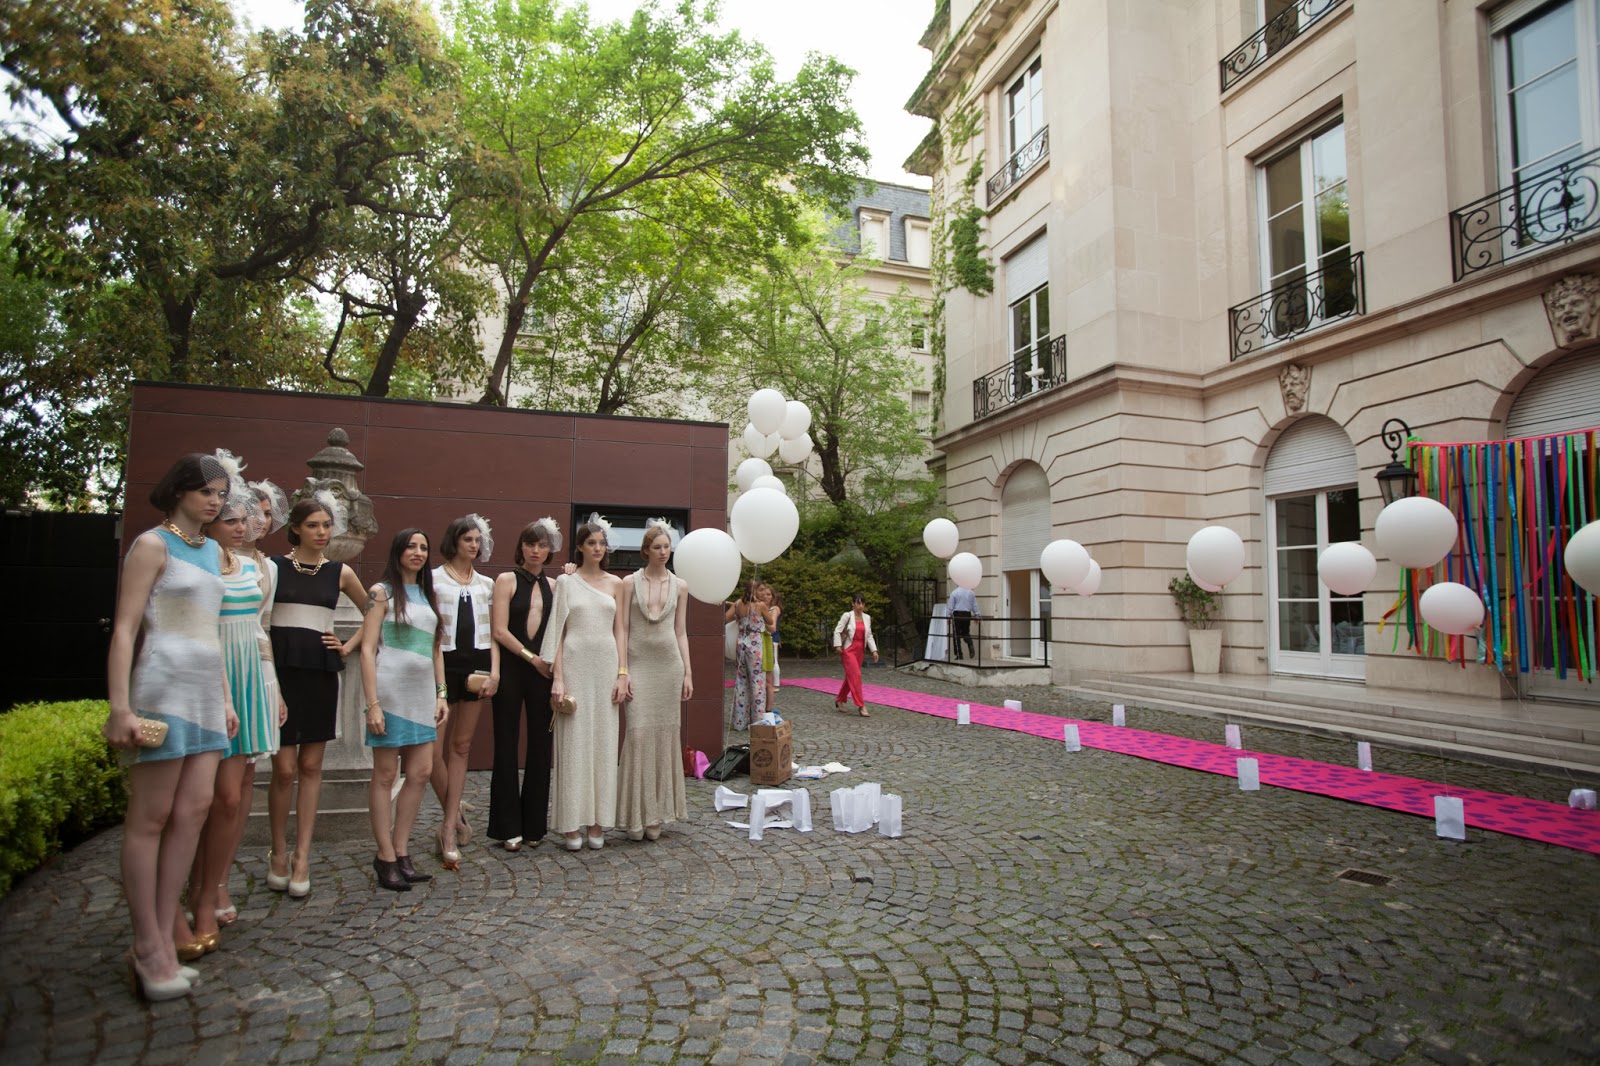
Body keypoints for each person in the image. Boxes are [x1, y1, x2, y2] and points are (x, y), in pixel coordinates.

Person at [103, 454, 238, 1001]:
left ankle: (165, 933)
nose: (215, 502)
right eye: (206, 491)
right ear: (179, 489)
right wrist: (120, 707)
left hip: (206, 693)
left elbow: (212, 630)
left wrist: (225, 699)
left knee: (193, 812)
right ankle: (147, 945)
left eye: (221, 494)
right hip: (161, 688)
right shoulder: (151, 545)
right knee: (151, 817)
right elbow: (125, 629)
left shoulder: (212, 551)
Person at [173, 472, 284, 960]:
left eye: (246, 519)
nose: (243, 526)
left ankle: (211, 889)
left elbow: (262, 629)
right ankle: (187, 889)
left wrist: (272, 687)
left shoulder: (251, 568)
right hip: (208, 680)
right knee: (199, 799)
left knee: (232, 798)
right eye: (232, 519)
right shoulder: (195, 565)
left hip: (249, 678)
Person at [267, 495, 367, 899]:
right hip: (280, 672)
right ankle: (277, 851)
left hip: (320, 673)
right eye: (313, 525)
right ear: (295, 528)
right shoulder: (273, 567)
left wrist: (349, 645)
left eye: (327, 525)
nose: (322, 532)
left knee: (310, 766)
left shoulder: (340, 572)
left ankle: (302, 856)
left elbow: (375, 611)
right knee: (283, 769)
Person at [358, 528, 449, 891]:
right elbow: (367, 650)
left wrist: (442, 694)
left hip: (422, 695)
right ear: (397, 551)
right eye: (411, 546)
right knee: (384, 775)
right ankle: (384, 856)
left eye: (424, 547)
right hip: (390, 694)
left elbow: (436, 648)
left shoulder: (427, 595)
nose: (418, 552)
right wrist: (372, 704)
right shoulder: (380, 592)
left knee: (421, 772)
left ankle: (401, 850)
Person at [540, 518, 630, 851]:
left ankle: (597, 821)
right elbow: (558, 630)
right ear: (579, 546)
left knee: (604, 744)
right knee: (573, 744)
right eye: (591, 543)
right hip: (575, 664)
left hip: (606, 666)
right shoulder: (566, 581)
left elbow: (621, 630)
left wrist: (622, 673)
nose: (597, 548)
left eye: (601, 543)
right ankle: (570, 823)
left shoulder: (616, 584)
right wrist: (558, 677)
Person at [488, 518, 568, 851]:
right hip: (512, 669)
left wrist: (553, 671)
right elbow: (499, 630)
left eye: (542, 545)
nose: (536, 550)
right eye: (531, 544)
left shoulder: (555, 585)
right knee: (505, 745)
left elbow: (560, 630)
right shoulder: (506, 580)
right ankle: (508, 827)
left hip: (543, 675)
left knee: (541, 746)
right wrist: (532, 658)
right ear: (521, 546)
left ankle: (534, 826)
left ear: (550, 550)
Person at [429, 514, 498, 870]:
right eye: (467, 539)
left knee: (462, 746)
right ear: (454, 540)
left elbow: (495, 632)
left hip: (478, 666)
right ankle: (454, 812)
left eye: (477, 540)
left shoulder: (487, 584)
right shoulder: (433, 578)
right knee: (431, 753)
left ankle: (448, 829)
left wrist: (495, 672)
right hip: (442, 664)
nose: (473, 545)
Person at [616, 521, 690, 841]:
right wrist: (622, 670)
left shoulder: (681, 586)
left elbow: (680, 631)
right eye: (657, 547)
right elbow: (621, 628)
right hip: (638, 665)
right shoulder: (628, 583)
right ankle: (635, 815)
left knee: (665, 736)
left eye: (667, 547)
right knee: (637, 735)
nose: (663, 552)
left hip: (669, 667)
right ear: (645, 550)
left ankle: (657, 814)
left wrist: (688, 672)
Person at [723, 581, 773, 730]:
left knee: (741, 681)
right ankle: (757, 722)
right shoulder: (760, 606)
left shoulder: (738, 603)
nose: (763, 593)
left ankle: (739, 722)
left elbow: (725, 618)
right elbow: (770, 621)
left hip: (741, 643)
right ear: (754, 591)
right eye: (760, 590)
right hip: (755, 644)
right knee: (757, 682)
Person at [832, 593, 879, 716]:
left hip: (860, 651)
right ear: (852, 603)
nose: (861, 606)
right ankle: (861, 705)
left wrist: (874, 650)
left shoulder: (867, 618)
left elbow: (869, 635)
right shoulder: (847, 616)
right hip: (848, 650)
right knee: (856, 675)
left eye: (863, 603)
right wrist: (838, 645)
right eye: (858, 603)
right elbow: (837, 631)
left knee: (851, 677)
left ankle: (840, 699)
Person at [947, 583, 979, 661]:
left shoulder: (954, 592)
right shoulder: (971, 592)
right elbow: (974, 605)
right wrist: (976, 615)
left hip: (957, 614)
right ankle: (970, 643)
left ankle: (959, 655)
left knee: (956, 635)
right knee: (966, 632)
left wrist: (948, 617)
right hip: (967, 614)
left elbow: (950, 606)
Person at [764, 588, 783, 710]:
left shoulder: (774, 609)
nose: (765, 596)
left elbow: (773, 627)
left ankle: (776, 683)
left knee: (774, 661)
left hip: (771, 638)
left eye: (768, 594)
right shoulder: (766, 608)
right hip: (770, 638)